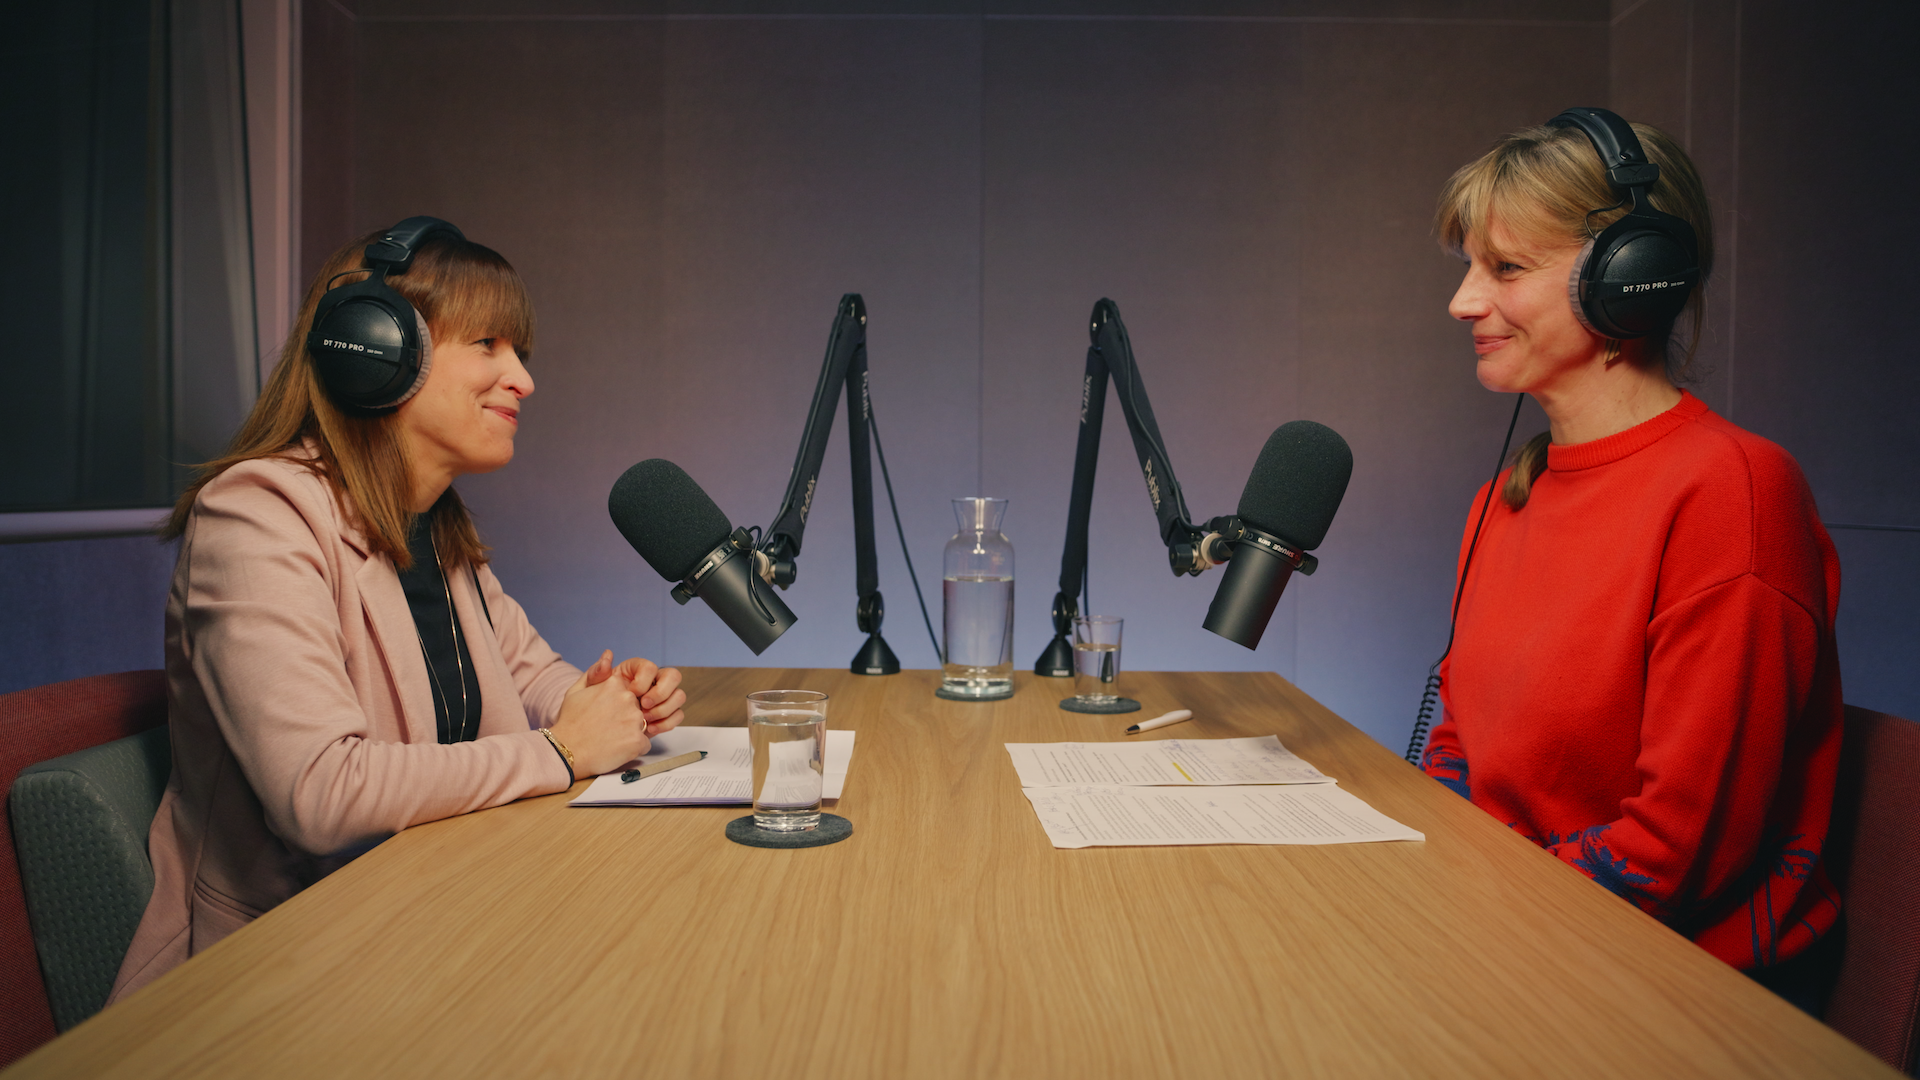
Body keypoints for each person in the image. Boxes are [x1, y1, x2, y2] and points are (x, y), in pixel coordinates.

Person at [109, 219, 685, 1002]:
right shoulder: (255, 516)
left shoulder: (435, 527)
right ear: (375, 346)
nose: (523, 379)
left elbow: (531, 675)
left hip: (437, 920)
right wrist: (559, 752)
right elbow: (321, 792)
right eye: (488, 344)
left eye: (520, 354)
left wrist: (605, 701)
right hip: (279, 971)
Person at [1418, 111, 1843, 1009]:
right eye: (1469, 270)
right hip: (1513, 945)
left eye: (1506, 268)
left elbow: (1673, 855)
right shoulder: (1504, 499)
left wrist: (1465, 932)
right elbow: (1459, 749)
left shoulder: (1734, 492)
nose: (1462, 303)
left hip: (1666, 994)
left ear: (1633, 278)